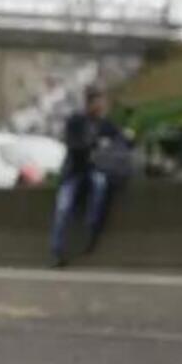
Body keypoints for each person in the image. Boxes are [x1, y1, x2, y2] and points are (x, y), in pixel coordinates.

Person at [49, 85, 127, 267]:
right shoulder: (76, 121)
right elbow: (73, 144)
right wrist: (92, 144)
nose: (101, 106)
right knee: (63, 207)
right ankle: (56, 250)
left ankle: (90, 229)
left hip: (94, 170)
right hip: (74, 171)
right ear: (89, 103)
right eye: (98, 102)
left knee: (100, 184)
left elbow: (120, 140)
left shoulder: (105, 124)